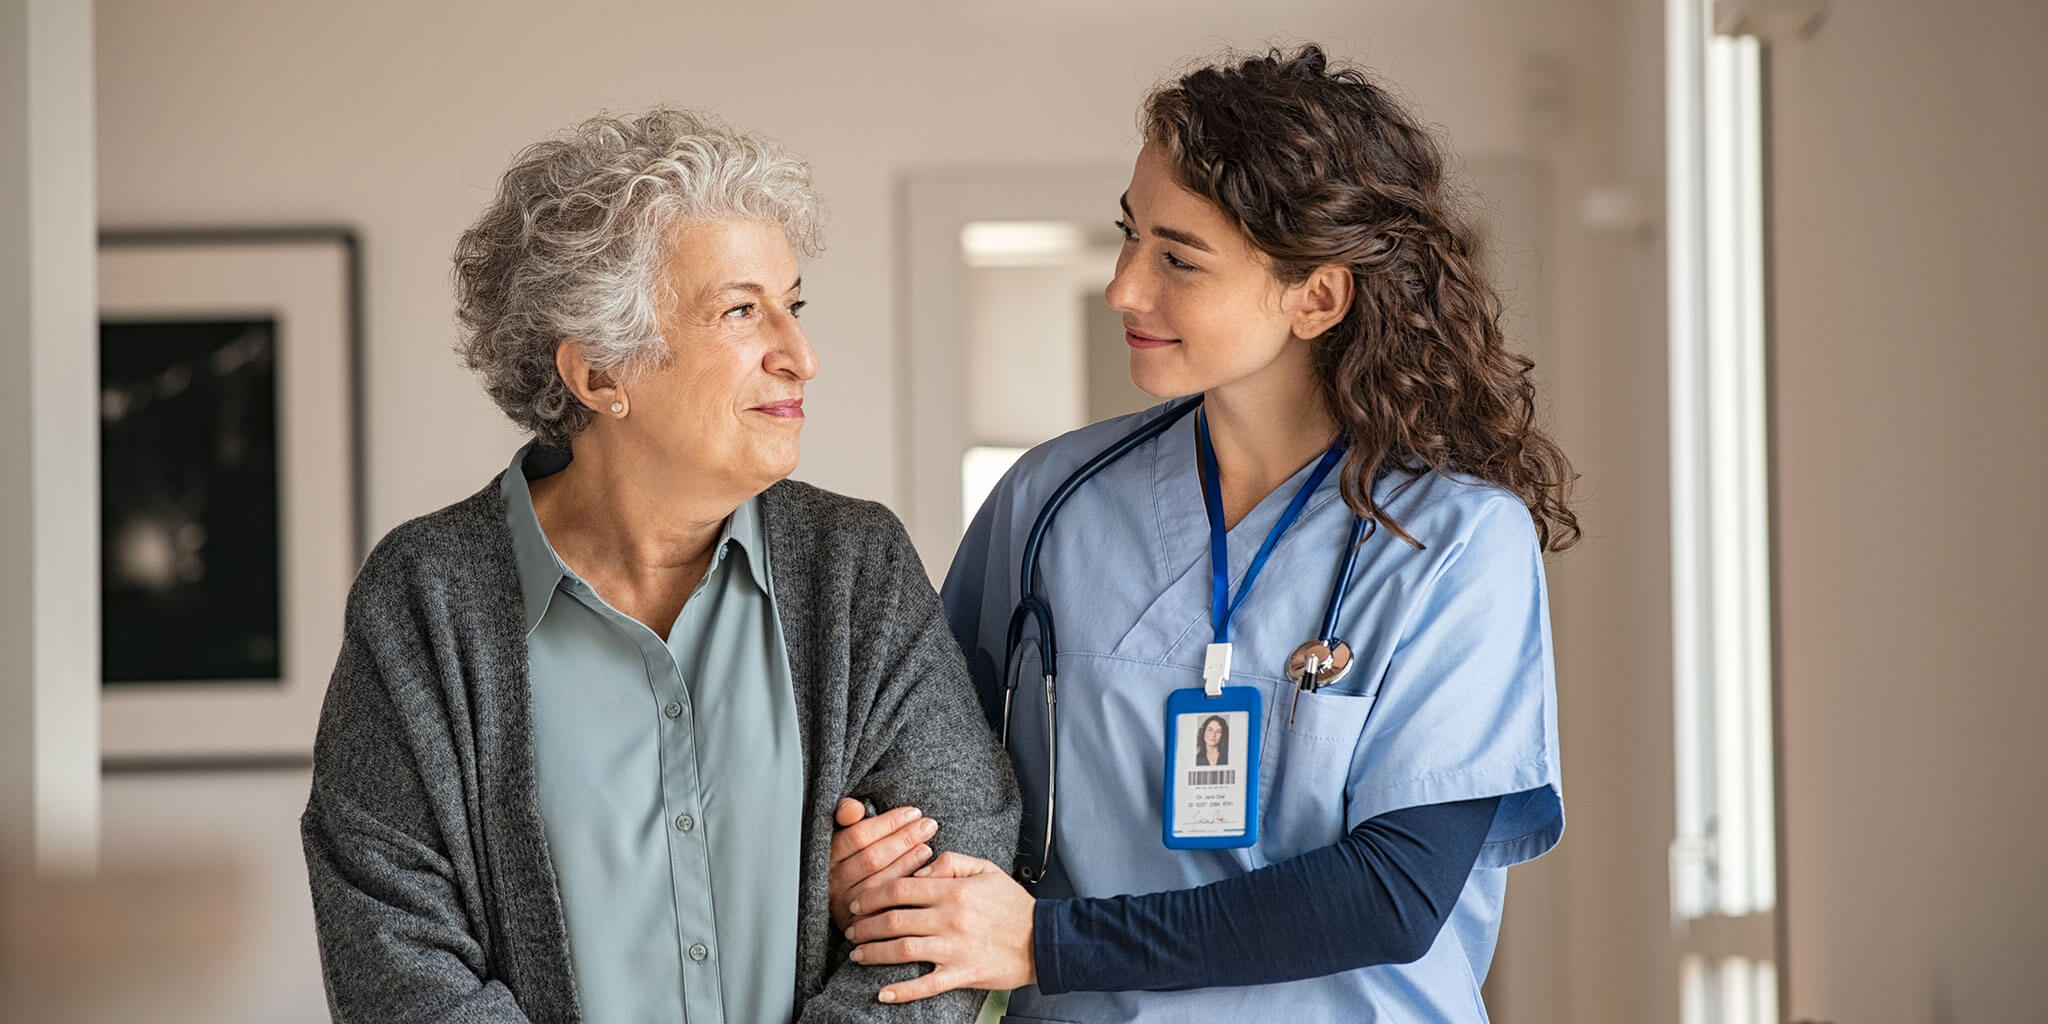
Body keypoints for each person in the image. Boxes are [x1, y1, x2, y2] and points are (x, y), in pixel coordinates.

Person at [828, 46, 1578, 1021]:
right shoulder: (1048, 501)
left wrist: (1046, 943)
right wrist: (875, 861)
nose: (1122, 289)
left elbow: (1393, 893)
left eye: (1177, 258)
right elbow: (931, 777)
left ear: (1315, 295)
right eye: (1128, 236)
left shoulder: (1452, 541)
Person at [300, 107, 1018, 1024]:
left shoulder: (856, 570)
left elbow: (953, 885)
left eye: (791, 306)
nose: (800, 355)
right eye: (740, 311)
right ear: (600, 375)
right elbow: (396, 958)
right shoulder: (425, 598)